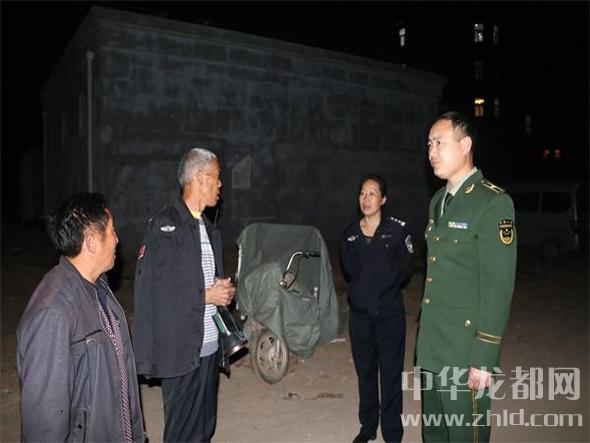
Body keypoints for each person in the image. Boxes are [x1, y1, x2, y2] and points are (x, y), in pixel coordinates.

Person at [416, 111, 517, 442]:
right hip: (433, 346)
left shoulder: (493, 203)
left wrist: (484, 357)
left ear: (465, 145)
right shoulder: (438, 201)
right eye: (429, 144)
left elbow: (497, 286)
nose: (432, 152)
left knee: (464, 434)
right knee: (435, 433)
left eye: (440, 143)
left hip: (464, 350)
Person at [17, 193, 144, 442]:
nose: (117, 239)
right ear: (91, 242)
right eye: (111, 231)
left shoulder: (99, 289)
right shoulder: (53, 313)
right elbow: (44, 424)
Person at [133, 147, 235, 442]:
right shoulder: (167, 226)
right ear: (201, 177)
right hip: (180, 350)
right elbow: (157, 291)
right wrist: (206, 296)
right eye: (216, 177)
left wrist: (222, 290)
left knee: (203, 429)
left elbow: (198, 280)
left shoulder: (207, 228)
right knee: (181, 433)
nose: (220, 184)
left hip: (208, 345)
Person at [341, 174, 414, 443]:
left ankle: (392, 434)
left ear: (383, 199)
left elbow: (405, 269)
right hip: (360, 317)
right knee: (366, 373)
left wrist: (383, 290)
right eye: (362, 193)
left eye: (372, 194)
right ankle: (368, 427)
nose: (366, 199)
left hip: (389, 316)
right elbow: (349, 270)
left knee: (391, 375)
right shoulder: (350, 234)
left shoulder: (397, 231)